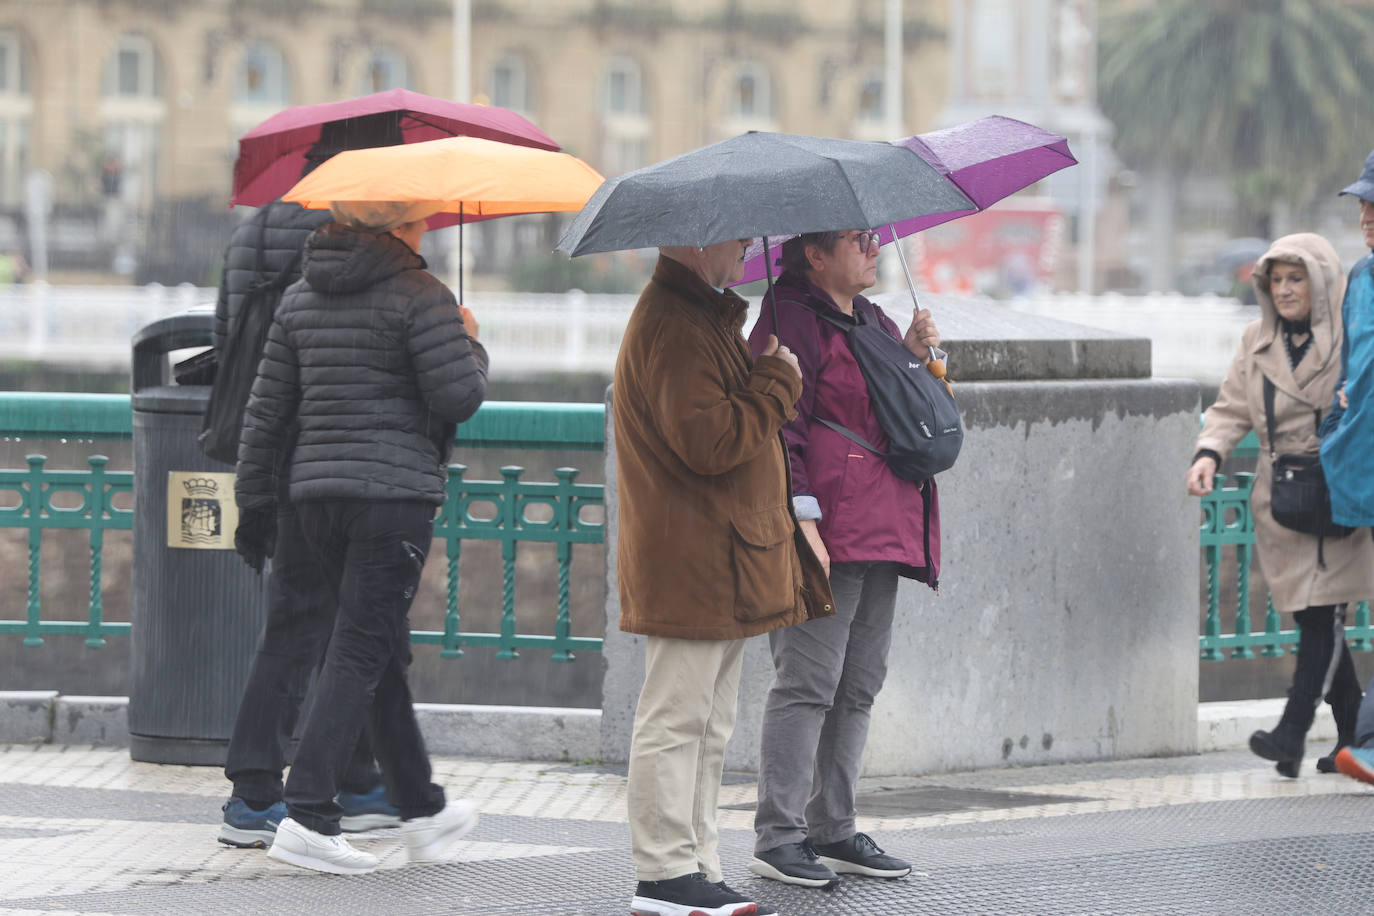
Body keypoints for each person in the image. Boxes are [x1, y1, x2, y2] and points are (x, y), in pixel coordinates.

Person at [234, 199, 487, 874]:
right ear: (402, 226)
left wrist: (256, 502)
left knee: (371, 653)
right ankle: (310, 814)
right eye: (421, 219)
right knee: (359, 650)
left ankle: (421, 809)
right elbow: (458, 397)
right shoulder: (423, 294)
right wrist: (469, 339)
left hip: (314, 500)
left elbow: (266, 412)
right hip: (390, 500)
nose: (429, 227)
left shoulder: (299, 296)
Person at [616, 240, 834, 916]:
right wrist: (777, 381)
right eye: (735, 237)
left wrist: (765, 373)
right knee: (678, 717)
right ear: (692, 239)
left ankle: (695, 860)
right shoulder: (674, 326)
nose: (744, 247)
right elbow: (709, 441)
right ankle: (663, 872)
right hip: (693, 559)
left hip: (717, 557)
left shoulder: (700, 320)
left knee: (707, 722)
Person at [214, 113, 407, 849]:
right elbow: (358, 357)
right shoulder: (353, 240)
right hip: (337, 454)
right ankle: (255, 791)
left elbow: (228, 334)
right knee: (317, 626)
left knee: (333, 625)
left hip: (271, 447)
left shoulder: (254, 231)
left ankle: (352, 777)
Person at [744, 230, 941, 889]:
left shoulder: (877, 320)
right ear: (816, 255)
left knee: (858, 685)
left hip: (884, 523)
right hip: (827, 525)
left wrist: (914, 361)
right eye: (859, 240)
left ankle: (834, 825)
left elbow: (895, 415)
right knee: (807, 682)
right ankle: (780, 835)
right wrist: (802, 517)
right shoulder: (789, 318)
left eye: (873, 237)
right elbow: (777, 425)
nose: (874, 247)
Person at [1186, 232, 1374, 778]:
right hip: (1282, 497)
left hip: (1337, 492)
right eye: (1278, 280)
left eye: (1298, 279)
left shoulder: (1351, 338)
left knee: (1324, 614)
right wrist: (1208, 454)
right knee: (1315, 613)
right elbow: (1229, 409)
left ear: (1321, 283)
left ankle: (1290, 732)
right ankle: (1352, 737)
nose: (1286, 290)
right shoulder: (1255, 340)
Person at [1319, 153, 1374, 786]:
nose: (1364, 213)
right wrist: (1336, 432)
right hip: (1357, 465)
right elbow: (1351, 374)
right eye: (1362, 200)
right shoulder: (1361, 277)